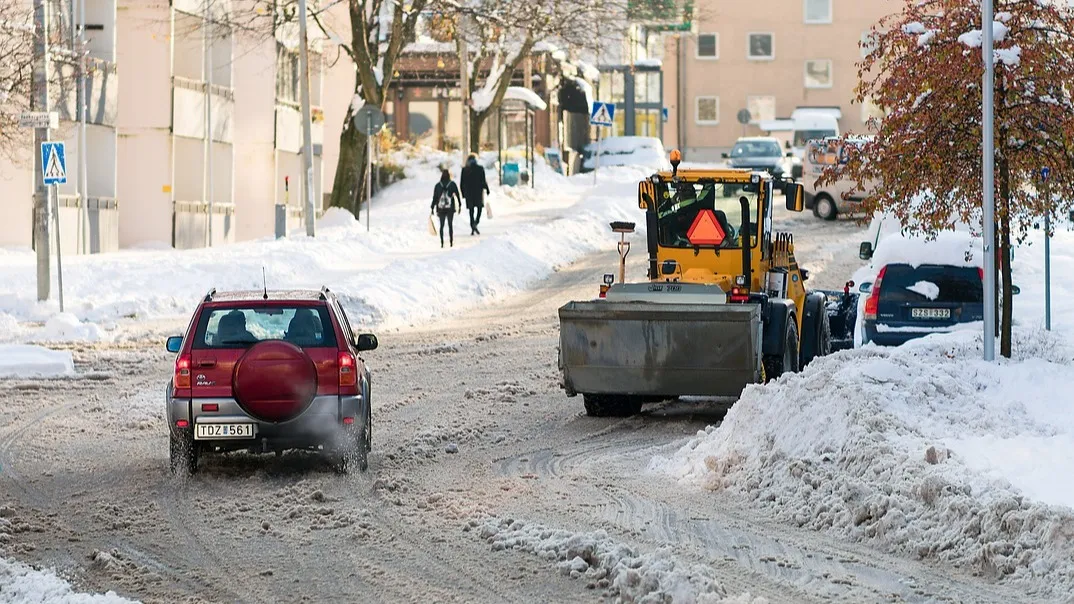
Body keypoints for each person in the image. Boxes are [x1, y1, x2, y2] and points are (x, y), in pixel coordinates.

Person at [459, 153, 490, 235]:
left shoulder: (465, 170)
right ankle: (476, 222)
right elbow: (483, 180)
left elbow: (462, 183)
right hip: (478, 192)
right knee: (479, 208)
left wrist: (463, 194)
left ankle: (472, 225)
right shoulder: (480, 168)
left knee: (471, 210)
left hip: (469, 193)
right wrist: (487, 189)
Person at [431, 168, 462, 248]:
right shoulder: (452, 184)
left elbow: (435, 197)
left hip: (440, 208)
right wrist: (460, 204)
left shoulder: (438, 185)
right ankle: (451, 242)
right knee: (450, 225)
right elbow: (458, 195)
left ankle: (442, 243)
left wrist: (432, 207)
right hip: (450, 208)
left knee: (441, 226)